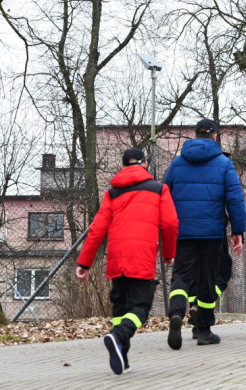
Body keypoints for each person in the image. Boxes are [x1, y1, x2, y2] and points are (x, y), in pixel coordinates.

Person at [76, 148, 178, 375]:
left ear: (123, 166)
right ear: (146, 163)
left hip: (117, 259)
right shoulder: (159, 189)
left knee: (121, 309)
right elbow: (171, 223)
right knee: (140, 308)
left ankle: (123, 357)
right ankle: (118, 336)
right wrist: (168, 254)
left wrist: (84, 263)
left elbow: (97, 229)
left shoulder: (112, 193)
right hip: (142, 258)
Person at [163, 119, 245, 348]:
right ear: (216, 137)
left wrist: (166, 227)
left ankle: (177, 313)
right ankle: (204, 330)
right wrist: (237, 230)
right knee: (209, 278)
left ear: (195, 136)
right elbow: (235, 199)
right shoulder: (224, 164)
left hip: (183, 231)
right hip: (212, 232)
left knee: (181, 275)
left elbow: (164, 195)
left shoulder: (177, 164)